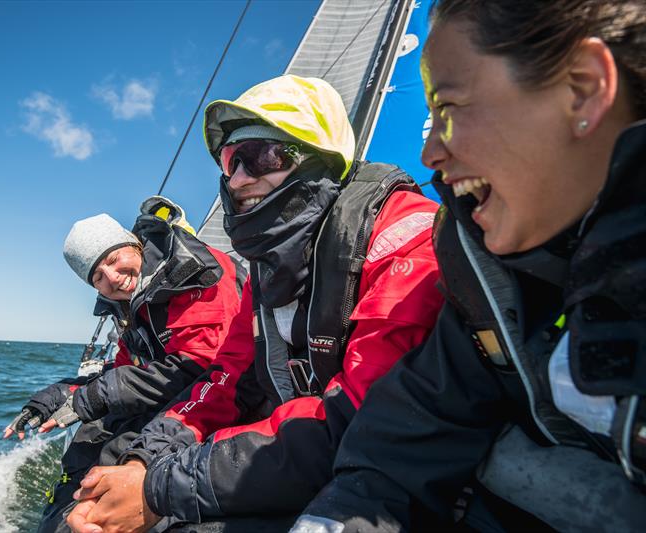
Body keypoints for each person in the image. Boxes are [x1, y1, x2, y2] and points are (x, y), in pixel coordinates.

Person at [293, 1, 646, 531]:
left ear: (583, 87)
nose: (430, 152)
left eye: (449, 109)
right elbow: (410, 433)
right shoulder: (482, 273)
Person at [65, 74, 444, 533]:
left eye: (266, 155)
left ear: (320, 162)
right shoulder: (268, 275)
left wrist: (160, 488)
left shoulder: (406, 240)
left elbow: (363, 417)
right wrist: (146, 459)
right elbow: (227, 380)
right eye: (231, 160)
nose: (240, 178)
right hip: (304, 452)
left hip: (405, 480)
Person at [4, 196, 245, 533]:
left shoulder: (195, 271)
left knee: (114, 453)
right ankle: (63, 515)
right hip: (172, 391)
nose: (113, 278)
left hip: (221, 393)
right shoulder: (129, 300)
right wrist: (58, 395)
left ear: (135, 244)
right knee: (88, 439)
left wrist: (94, 397)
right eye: (98, 277)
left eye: (114, 260)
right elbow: (125, 366)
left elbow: (200, 363)